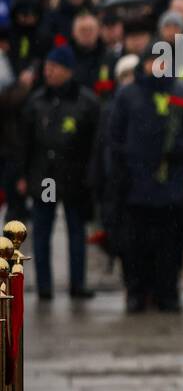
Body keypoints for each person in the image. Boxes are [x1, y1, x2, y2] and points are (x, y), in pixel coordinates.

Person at [107, 43, 183, 312]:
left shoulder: (182, 92)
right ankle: (137, 292)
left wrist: (180, 148)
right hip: (136, 186)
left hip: (171, 187)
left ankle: (167, 293)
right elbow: (114, 136)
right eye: (151, 60)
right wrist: (122, 171)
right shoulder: (128, 95)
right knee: (136, 246)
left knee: (169, 246)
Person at [19, 44, 100, 300]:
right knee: (41, 233)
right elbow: (24, 142)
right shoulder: (36, 100)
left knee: (77, 232)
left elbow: (95, 144)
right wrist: (21, 175)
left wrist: (92, 175)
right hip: (43, 176)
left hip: (74, 175)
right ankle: (44, 287)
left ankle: (78, 284)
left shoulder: (86, 102)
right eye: (47, 68)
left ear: (67, 70)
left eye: (54, 68)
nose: (49, 72)